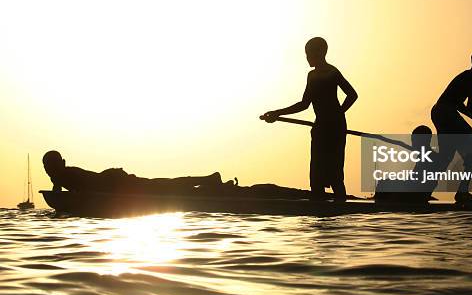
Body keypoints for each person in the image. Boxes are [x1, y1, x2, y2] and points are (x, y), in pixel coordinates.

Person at [261, 37, 358, 201]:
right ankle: (318, 204)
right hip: (320, 126)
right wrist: (277, 113)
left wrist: (338, 114)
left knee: (334, 169)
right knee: (317, 170)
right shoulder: (311, 75)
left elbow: (352, 95)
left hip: (335, 128)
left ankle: (339, 204)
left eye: (309, 54)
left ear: (320, 53)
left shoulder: (332, 72)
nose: (307, 58)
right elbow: (304, 104)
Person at [431, 48, 472, 205]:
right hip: (446, 113)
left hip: (440, 112)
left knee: (446, 156)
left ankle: (424, 191)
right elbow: (463, 106)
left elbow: (469, 106)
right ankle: (462, 192)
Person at [42, 150, 231, 195]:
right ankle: (209, 184)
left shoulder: (64, 175)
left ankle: (210, 180)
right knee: (165, 186)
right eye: (45, 167)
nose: (47, 170)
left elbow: (58, 194)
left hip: (117, 183)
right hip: (114, 181)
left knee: (166, 186)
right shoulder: (64, 174)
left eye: (50, 166)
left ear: (61, 164)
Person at [374, 125, 440, 204]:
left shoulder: (429, 157)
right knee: (387, 182)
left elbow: (421, 182)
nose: (413, 144)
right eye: (412, 140)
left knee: (384, 183)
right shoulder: (426, 155)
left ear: (424, 140)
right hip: (417, 191)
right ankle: (382, 200)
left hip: (417, 194)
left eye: (415, 140)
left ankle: (378, 203)